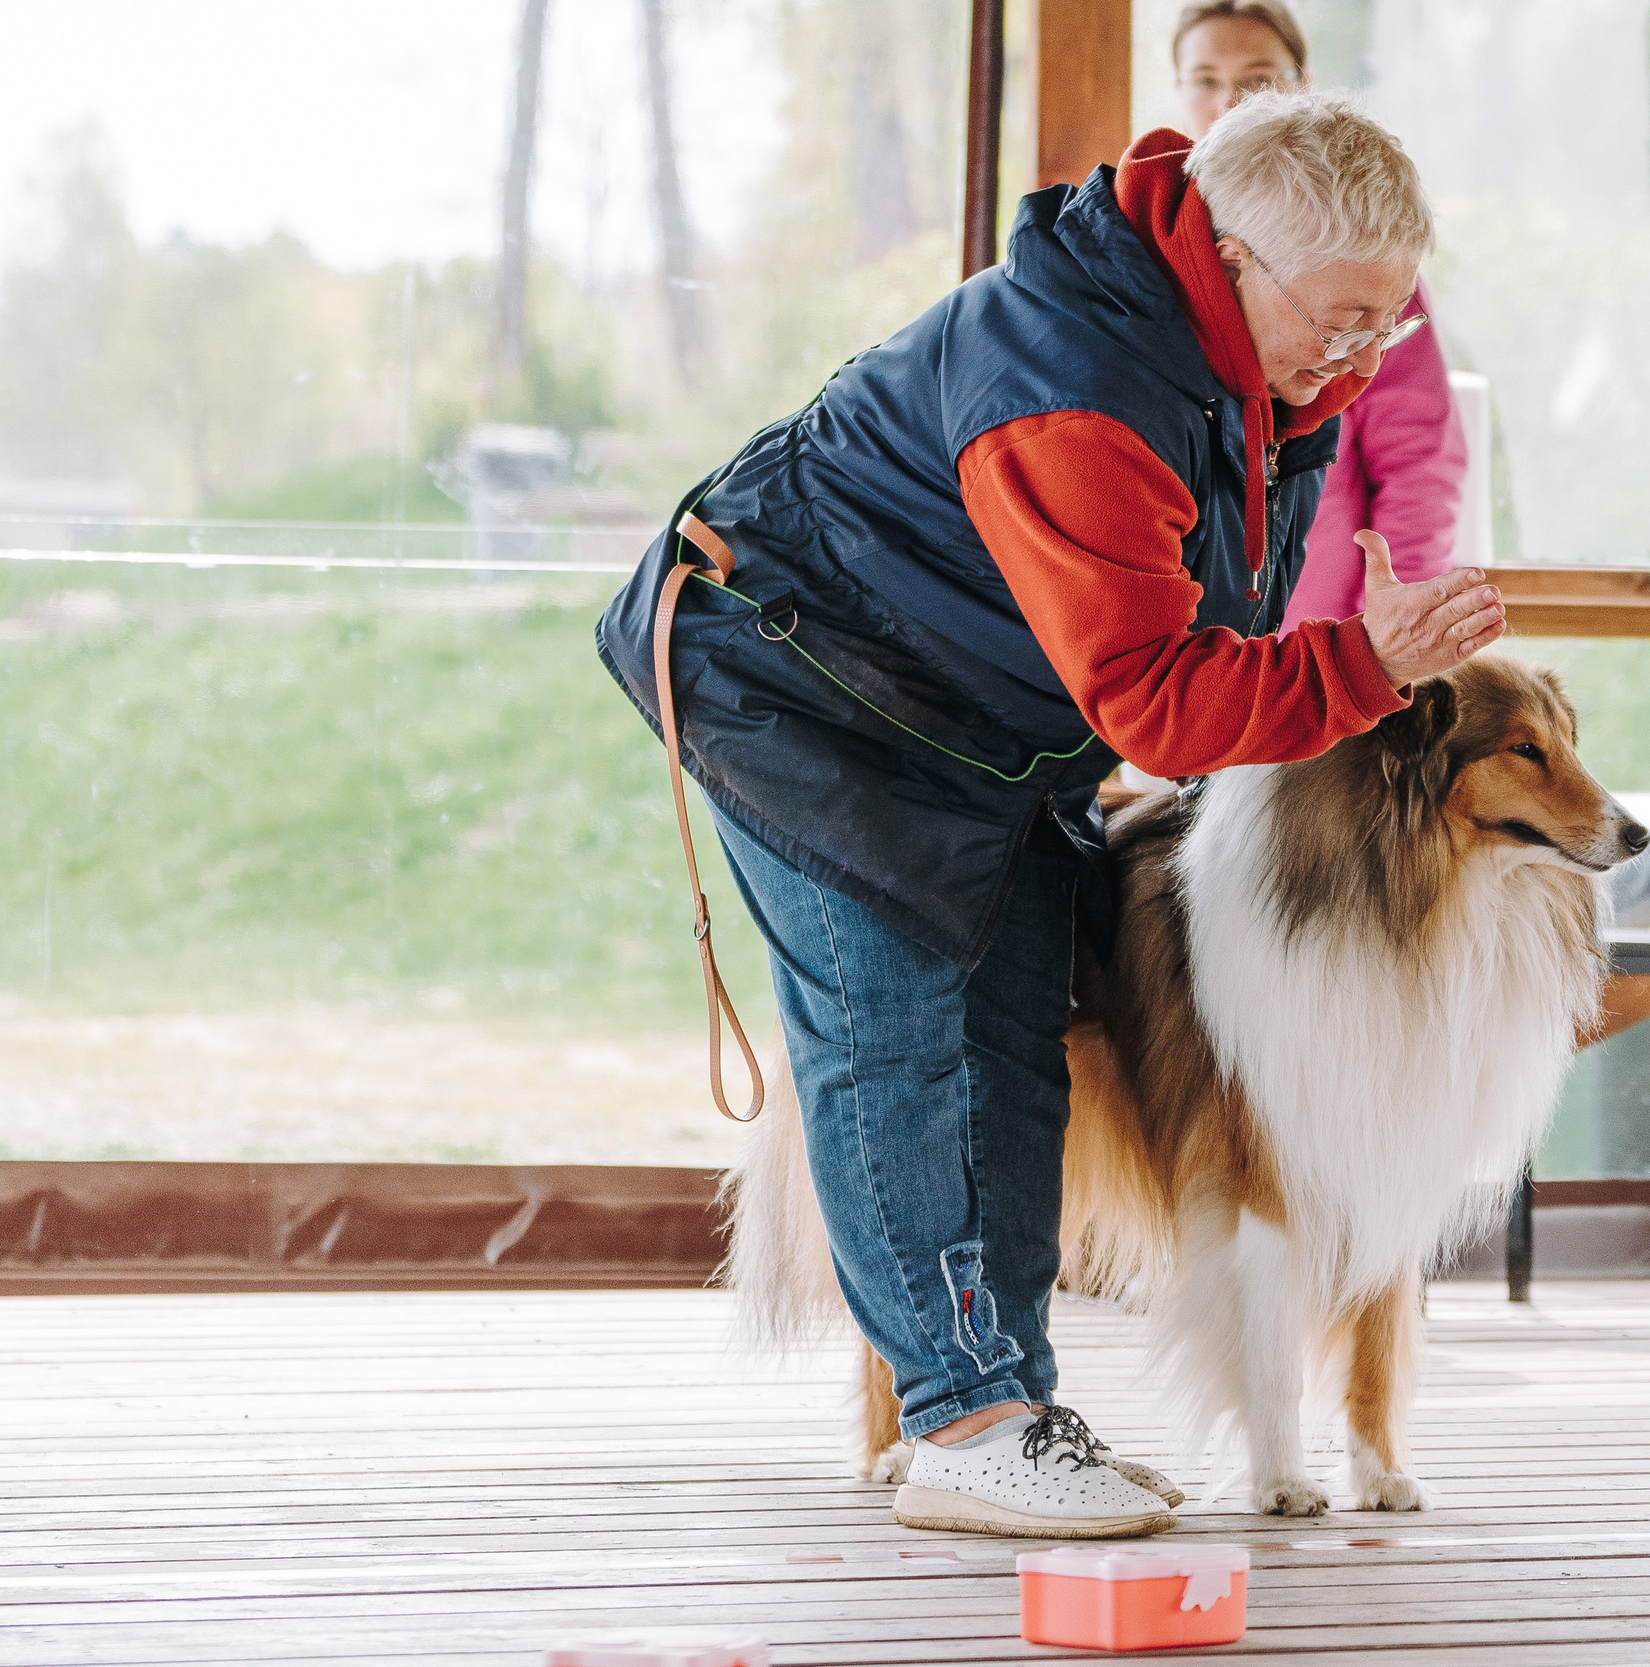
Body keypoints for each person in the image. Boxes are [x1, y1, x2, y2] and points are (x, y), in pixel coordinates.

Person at [596, 91, 1507, 1538]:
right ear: (1234, 257)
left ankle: (1009, 1407)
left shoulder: (1255, 367)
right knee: (904, 1032)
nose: (1359, 357)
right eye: (1341, 320)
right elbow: (1158, 699)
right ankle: (964, 1423)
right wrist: (1364, 668)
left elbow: (1212, 619)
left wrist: (1331, 655)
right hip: (798, 683)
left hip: (969, 716)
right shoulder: (1077, 391)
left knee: (1021, 1026)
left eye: (1385, 323)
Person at [1169, 0, 1468, 635]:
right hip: (1182, 642)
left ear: (1300, 87)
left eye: (1257, 81)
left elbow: (1418, 457)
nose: (1229, 103)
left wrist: (1394, 620)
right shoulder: (1151, 258)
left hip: (1322, 634)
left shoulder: (1365, 263)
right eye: (1205, 80)